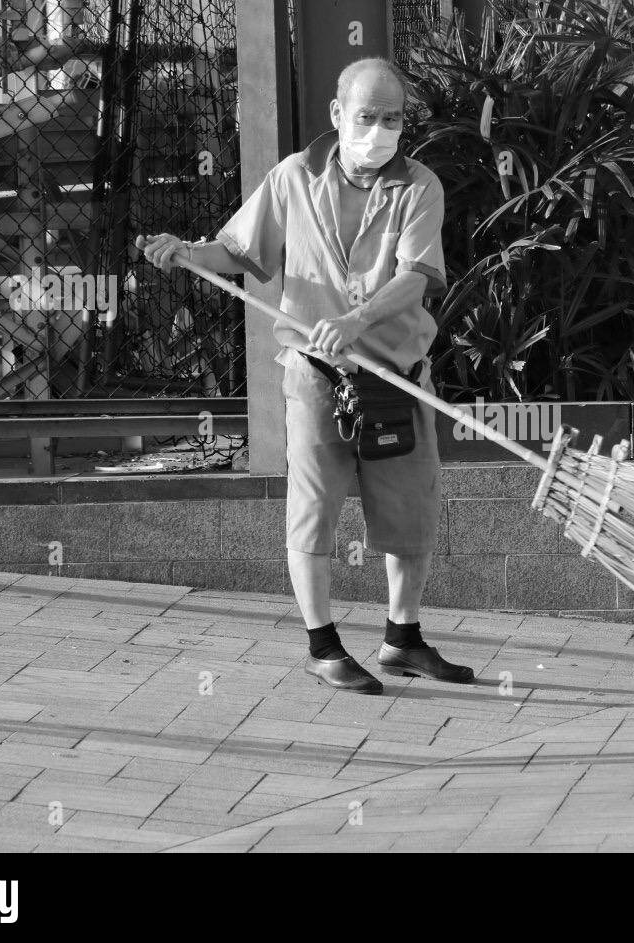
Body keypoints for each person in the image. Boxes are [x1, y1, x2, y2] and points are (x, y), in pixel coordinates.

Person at [136, 57, 472, 695]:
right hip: (317, 374)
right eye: (367, 117)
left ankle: (402, 639)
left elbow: (416, 276)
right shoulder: (293, 177)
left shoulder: (420, 185)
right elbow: (237, 253)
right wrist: (185, 253)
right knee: (313, 511)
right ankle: (323, 645)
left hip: (396, 374)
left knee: (409, 509)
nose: (380, 130)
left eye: (393, 118)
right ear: (337, 115)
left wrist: (355, 319)